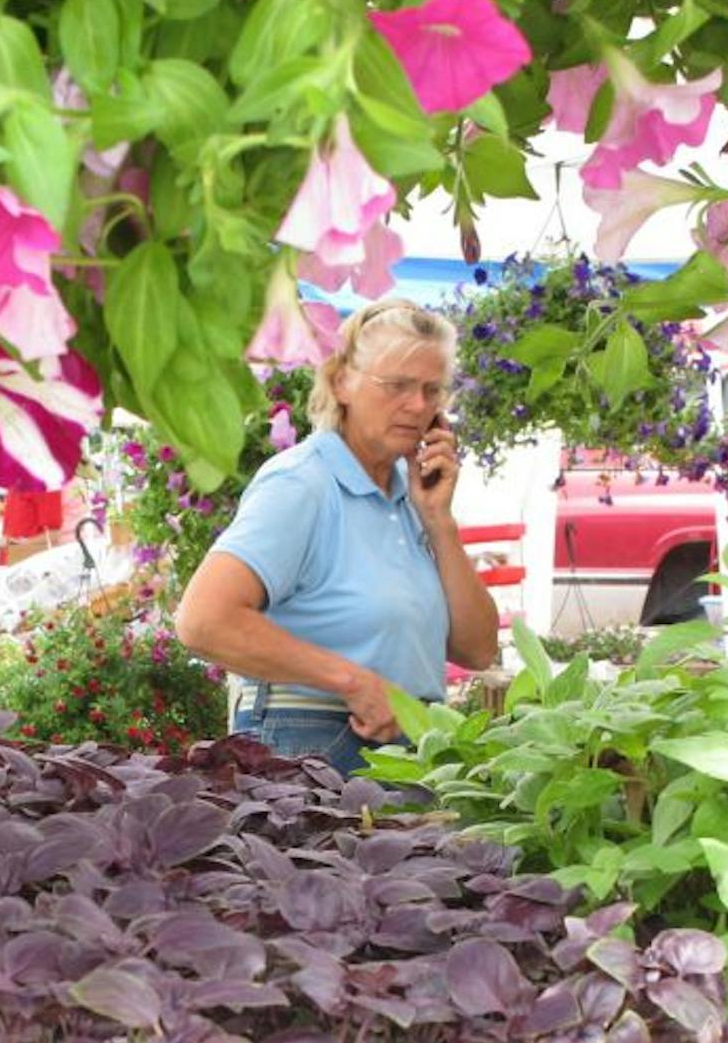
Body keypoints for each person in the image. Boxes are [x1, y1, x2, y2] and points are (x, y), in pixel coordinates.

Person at [175, 298, 499, 773]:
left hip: (406, 745)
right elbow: (203, 620)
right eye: (397, 385)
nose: (418, 406)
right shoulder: (303, 482)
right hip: (315, 736)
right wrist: (355, 683)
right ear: (341, 380)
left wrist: (440, 521)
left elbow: (478, 648)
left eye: (433, 390)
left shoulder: (411, 498)